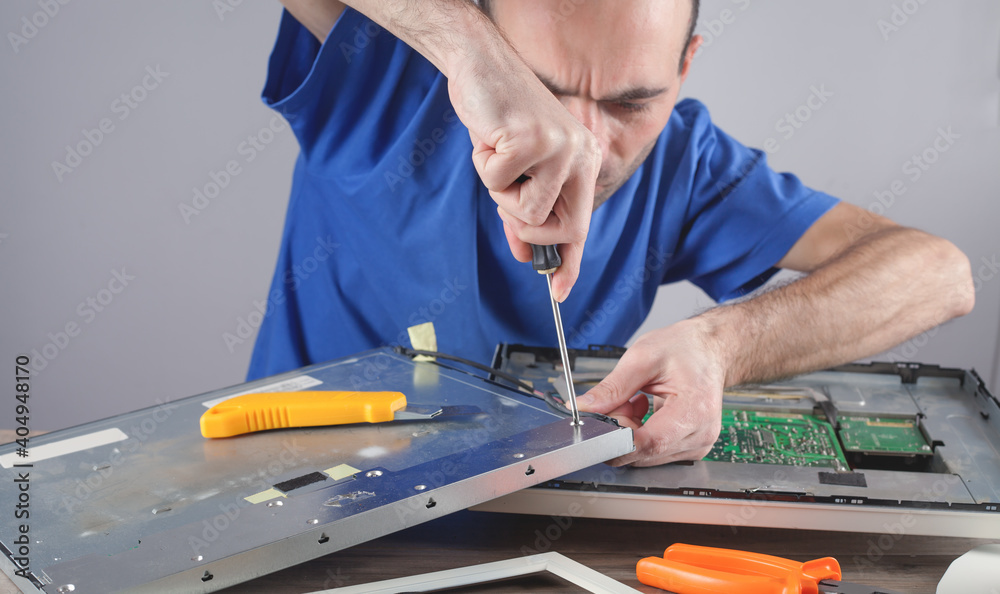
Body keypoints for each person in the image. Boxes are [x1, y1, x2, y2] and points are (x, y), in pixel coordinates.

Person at [249, 0, 974, 466]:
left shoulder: (688, 162)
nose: (584, 144)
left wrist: (720, 346)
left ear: (684, 69)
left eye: (631, 103)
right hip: (301, 502)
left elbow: (940, 274)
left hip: (539, 529)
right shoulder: (389, 72)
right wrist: (462, 46)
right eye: (540, 88)